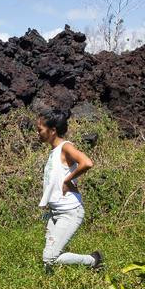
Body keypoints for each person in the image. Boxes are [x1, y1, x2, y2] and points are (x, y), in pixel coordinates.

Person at [36, 109, 102, 272]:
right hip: (55, 212)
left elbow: (87, 163)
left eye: (40, 130)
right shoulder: (54, 151)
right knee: (48, 260)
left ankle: (93, 260)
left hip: (69, 212)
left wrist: (67, 180)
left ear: (52, 131)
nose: (38, 133)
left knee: (50, 258)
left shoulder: (65, 147)